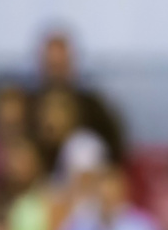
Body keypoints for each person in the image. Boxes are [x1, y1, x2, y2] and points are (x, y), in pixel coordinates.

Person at [31, 30, 126, 163]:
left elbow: (115, 149)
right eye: (52, 66)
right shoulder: (29, 105)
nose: (56, 73)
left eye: (61, 65)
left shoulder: (93, 107)